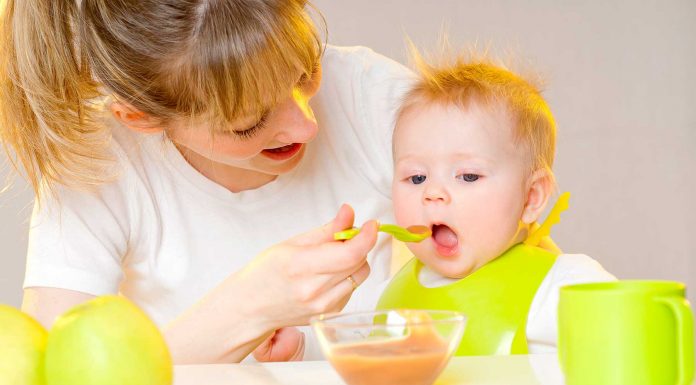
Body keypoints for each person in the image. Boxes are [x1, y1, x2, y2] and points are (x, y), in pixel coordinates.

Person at [0, 0, 414, 362]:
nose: (306, 126)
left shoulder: (377, 99)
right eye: (249, 125)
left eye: (305, 73)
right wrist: (250, 307)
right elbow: (55, 373)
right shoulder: (98, 166)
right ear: (141, 119)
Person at [372, 49, 616, 354]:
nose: (432, 193)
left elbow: (638, 355)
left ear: (531, 197)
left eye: (469, 176)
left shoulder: (564, 285)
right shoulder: (389, 294)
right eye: (417, 178)